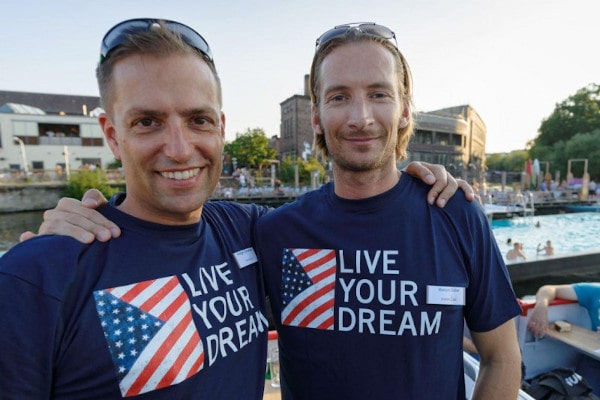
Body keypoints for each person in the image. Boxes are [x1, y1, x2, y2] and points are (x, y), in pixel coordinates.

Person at [8, 18, 472, 400]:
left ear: (222, 128)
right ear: (112, 134)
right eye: (147, 122)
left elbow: (353, 225)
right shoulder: (41, 274)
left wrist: (426, 186)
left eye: (198, 120)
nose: (179, 147)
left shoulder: (248, 230)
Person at [254, 23, 522, 399]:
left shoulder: (455, 214)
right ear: (316, 116)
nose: (360, 117)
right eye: (339, 97)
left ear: (405, 110)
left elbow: (502, 358)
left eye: (379, 94)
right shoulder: (276, 232)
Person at [527, 283, 600, 394]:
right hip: (593, 359)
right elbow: (550, 289)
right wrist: (541, 307)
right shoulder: (596, 292)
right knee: (580, 393)